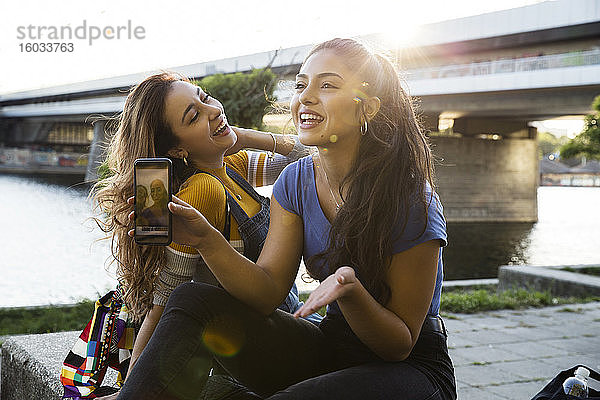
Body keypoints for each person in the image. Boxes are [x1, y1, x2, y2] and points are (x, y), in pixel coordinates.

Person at [117, 38, 456, 399]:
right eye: (301, 84)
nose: (306, 96)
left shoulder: (411, 199)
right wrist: (205, 239)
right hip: (331, 346)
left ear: (366, 109)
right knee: (191, 299)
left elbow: (399, 346)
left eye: (327, 85)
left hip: (410, 369)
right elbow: (266, 292)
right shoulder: (295, 182)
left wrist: (351, 291)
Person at [91, 72, 321, 399]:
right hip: (252, 351)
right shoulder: (204, 191)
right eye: (194, 116)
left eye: (205, 97)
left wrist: (236, 135)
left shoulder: (233, 167)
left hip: (275, 332)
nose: (212, 109)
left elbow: (309, 159)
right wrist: (131, 389)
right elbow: (170, 300)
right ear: (177, 148)